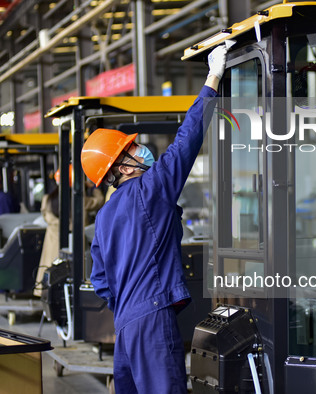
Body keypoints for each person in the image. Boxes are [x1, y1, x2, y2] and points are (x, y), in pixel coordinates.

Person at [81, 45, 227, 393]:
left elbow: (101, 280)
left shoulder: (103, 216)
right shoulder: (151, 188)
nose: (139, 148)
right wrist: (213, 78)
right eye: (131, 149)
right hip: (151, 317)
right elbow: (187, 140)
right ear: (122, 166)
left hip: (126, 325)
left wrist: (131, 305)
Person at [34, 165, 104, 296]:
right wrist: (94, 188)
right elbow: (99, 202)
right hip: (75, 244)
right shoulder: (80, 200)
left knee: (51, 273)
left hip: (53, 244)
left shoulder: (47, 199)